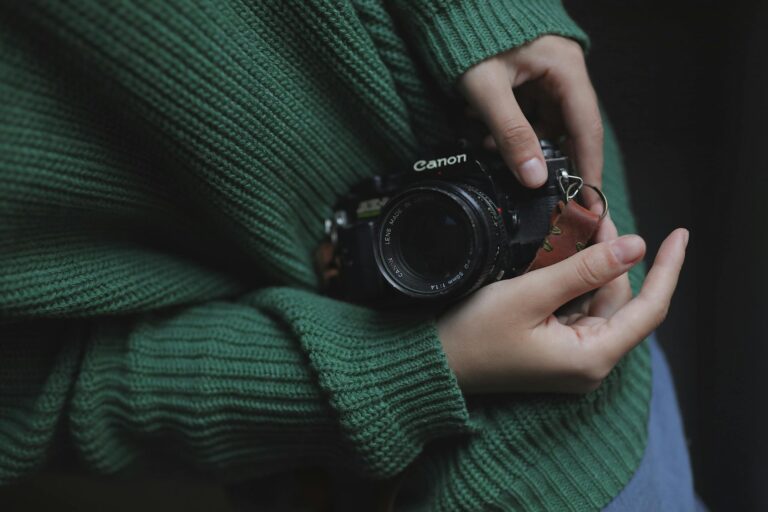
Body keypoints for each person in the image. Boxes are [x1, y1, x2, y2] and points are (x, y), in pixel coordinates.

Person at [0, 1, 696, 510]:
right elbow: (28, 401)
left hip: (586, 412)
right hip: (329, 445)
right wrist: (407, 365)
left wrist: (479, 12)